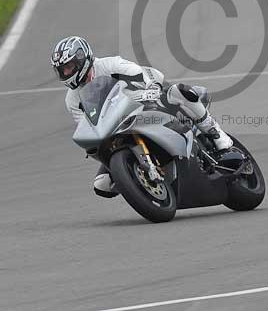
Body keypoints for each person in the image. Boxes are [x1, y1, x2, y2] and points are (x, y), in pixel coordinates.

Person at [50, 36, 233, 198]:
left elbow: (138, 73)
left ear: (82, 58)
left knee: (181, 92)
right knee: (103, 184)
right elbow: (87, 124)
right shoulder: (72, 99)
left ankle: (216, 133)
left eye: (69, 67)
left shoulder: (109, 64)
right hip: (115, 126)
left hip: (145, 100)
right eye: (62, 70)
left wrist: (150, 88)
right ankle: (139, 180)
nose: (66, 73)